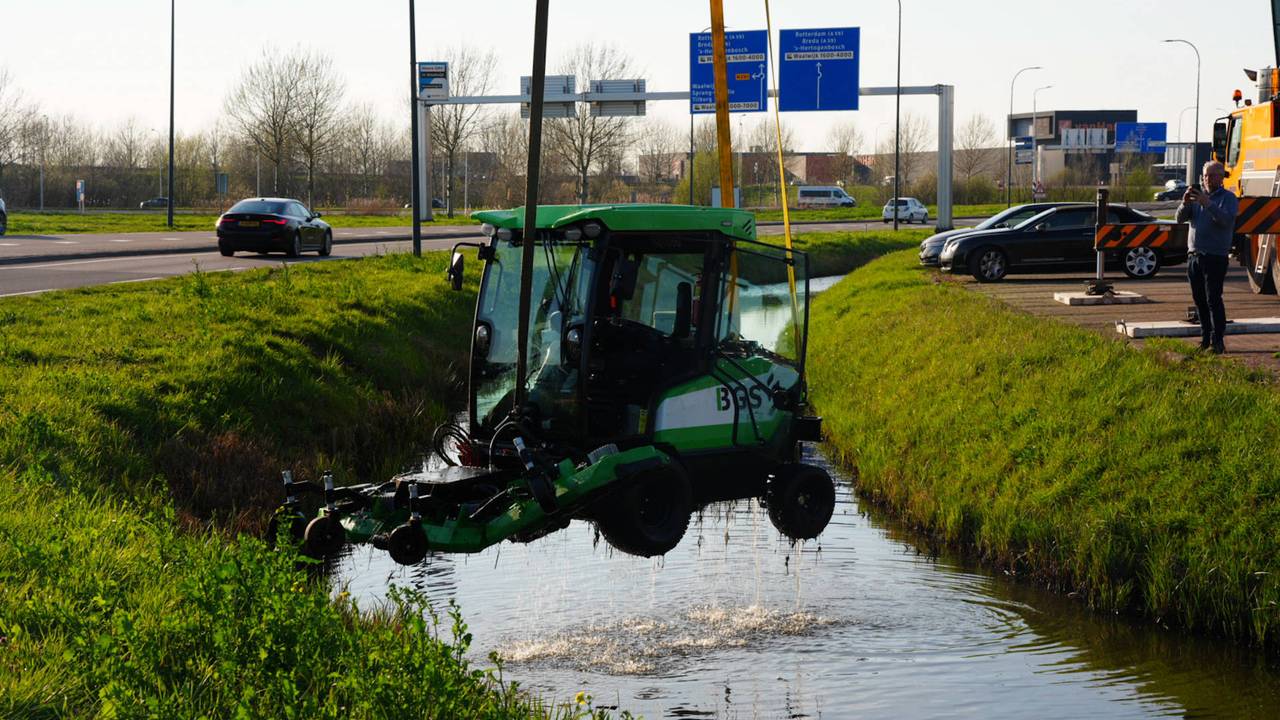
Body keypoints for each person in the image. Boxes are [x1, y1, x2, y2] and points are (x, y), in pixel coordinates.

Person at [1176, 161, 1238, 354]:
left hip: (1215, 256)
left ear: (1221, 177)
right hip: (1195, 255)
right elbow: (1179, 218)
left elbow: (1226, 221)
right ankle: (1204, 339)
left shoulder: (1228, 198)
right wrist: (1185, 203)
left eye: (1212, 176)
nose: (1207, 179)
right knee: (1199, 300)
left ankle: (1217, 341)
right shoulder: (1196, 197)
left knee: (1213, 299)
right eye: (1205, 176)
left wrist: (1207, 204)